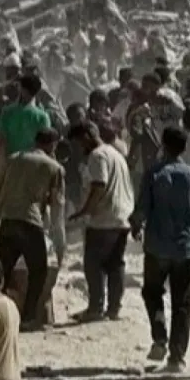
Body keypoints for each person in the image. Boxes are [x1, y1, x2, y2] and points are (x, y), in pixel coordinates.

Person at [131, 127, 190, 373]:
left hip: (157, 248)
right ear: (185, 148)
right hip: (186, 249)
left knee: (152, 293)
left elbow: (141, 209)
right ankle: (176, 359)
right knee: (183, 304)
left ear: (162, 145)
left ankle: (159, 334)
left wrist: (136, 226)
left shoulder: (154, 174)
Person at [0, 128, 65, 331]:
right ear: (53, 145)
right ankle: (29, 317)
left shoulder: (14, 158)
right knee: (38, 271)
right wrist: (59, 244)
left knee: (2, 273)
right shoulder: (54, 167)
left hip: (7, 220)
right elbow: (58, 209)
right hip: (30, 223)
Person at [68, 123, 134, 322]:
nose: (78, 150)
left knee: (93, 265)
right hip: (122, 218)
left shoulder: (97, 156)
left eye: (78, 144)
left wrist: (85, 211)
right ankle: (113, 309)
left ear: (87, 136)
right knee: (116, 265)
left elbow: (99, 185)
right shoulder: (116, 154)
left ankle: (95, 308)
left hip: (103, 220)